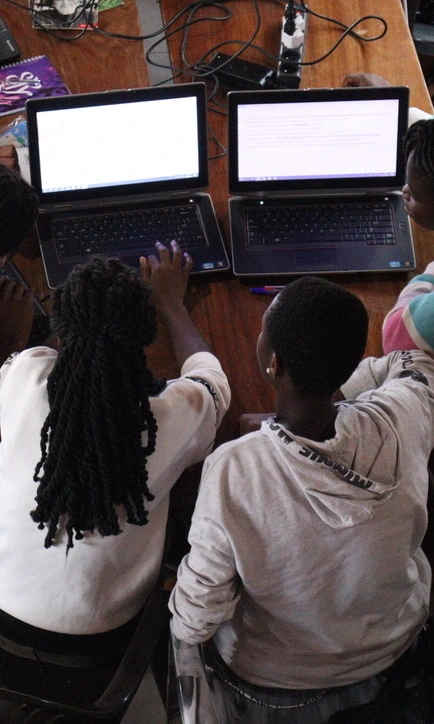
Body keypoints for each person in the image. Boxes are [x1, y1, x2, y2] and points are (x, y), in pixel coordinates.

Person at [169, 275, 434, 722]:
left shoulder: (235, 469)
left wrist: (179, 628)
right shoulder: (404, 416)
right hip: (394, 655)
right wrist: (340, 387)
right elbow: (412, 364)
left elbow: (199, 611)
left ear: (272, 362)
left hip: (279, 688)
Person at [0, 241, 230, 662]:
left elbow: (18, 362)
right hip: (111, 632)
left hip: (5, 610)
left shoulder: (23, 375)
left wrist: (15, 341)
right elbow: (212, 378)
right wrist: (170, 303)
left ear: (59, 331)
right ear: (144, 333)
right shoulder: (176, 414)